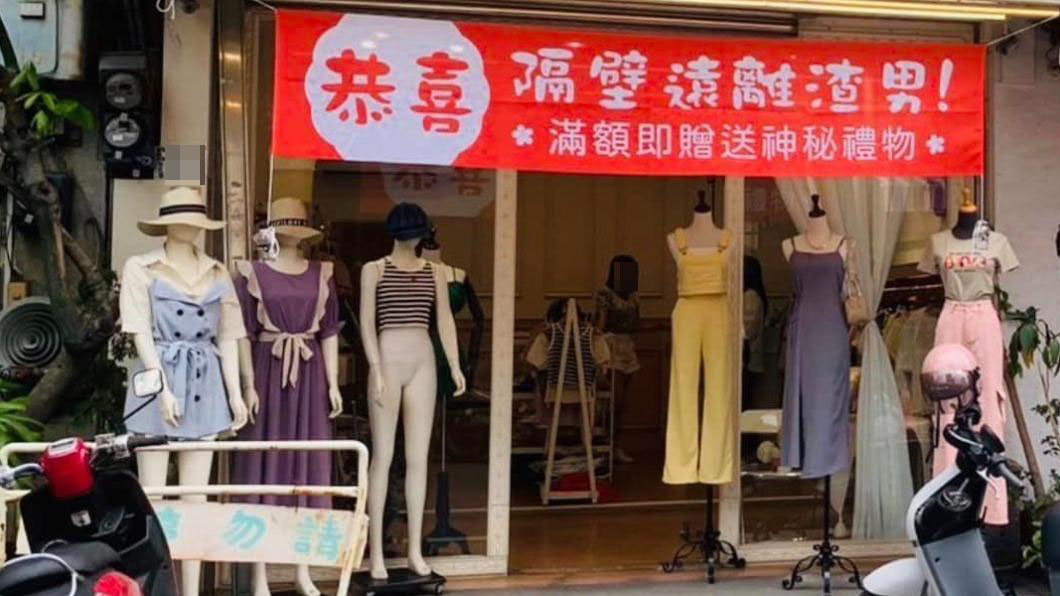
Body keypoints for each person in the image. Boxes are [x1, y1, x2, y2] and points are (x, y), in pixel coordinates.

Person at [595, 255, 640, 464]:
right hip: (611, 345)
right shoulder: (605, 294)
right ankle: (606, 444)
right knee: (615, 400)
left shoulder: (634, 296)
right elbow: (601, 324)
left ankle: (615, 444)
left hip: (628, 345)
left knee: (623, 403)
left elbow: (637, 324)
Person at [742, 255, 767, 407]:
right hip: (751, 360)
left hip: (748, 360)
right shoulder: (754, 295)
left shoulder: (750, 296)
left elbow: (747, 330)